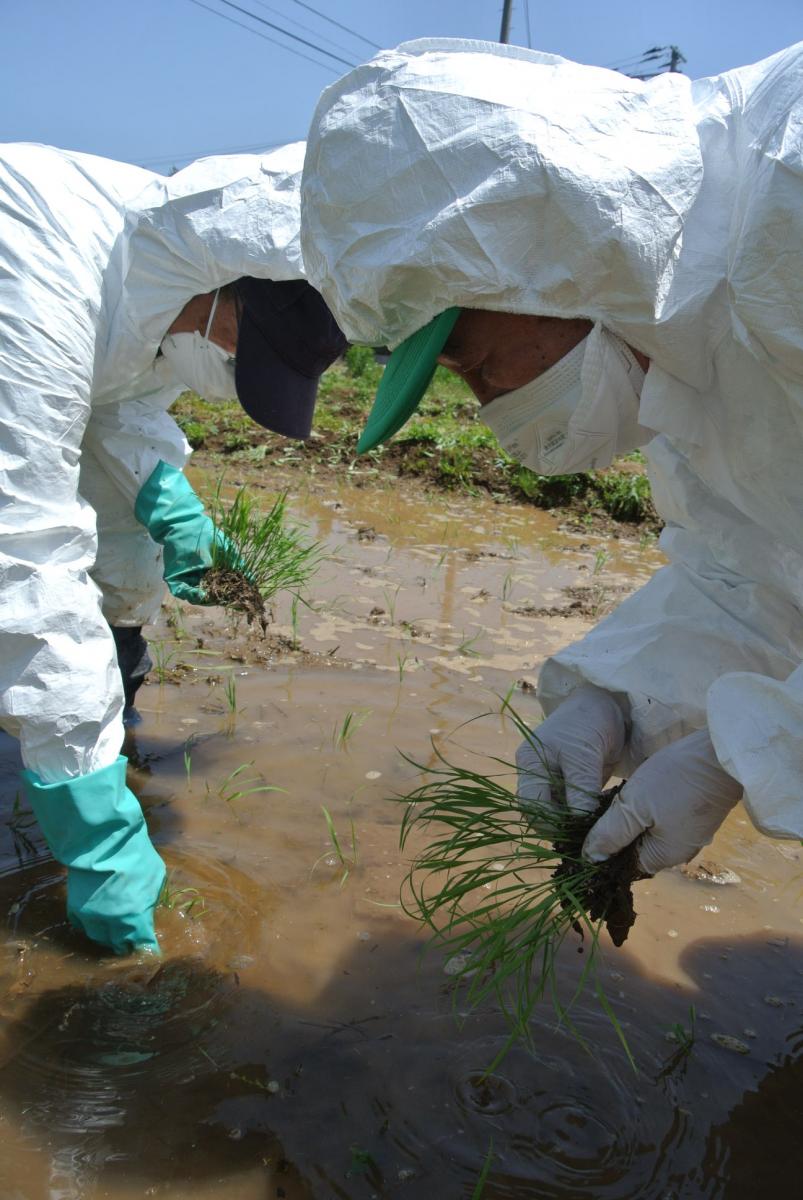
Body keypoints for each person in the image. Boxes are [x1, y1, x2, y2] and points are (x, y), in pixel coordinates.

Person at [299, 38, 803, 875]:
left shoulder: (787, 191)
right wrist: (618, 696)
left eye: (475, 363)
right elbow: (744, 574)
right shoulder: (673, 355)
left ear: (546, 262)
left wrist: (756, 752)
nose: (489, 405)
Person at [0, 141, 346, 955]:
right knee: (32, 594)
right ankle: (73, 772)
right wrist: (102, 841)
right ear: (233, 277)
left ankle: (100, 705)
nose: (230, 366)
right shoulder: (39, 259)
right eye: (244, 344)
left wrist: (170, 506)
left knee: (120, 559)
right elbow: (21, 538)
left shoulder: (169, 292)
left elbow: (118, 408)